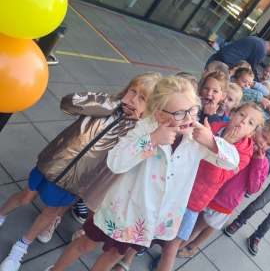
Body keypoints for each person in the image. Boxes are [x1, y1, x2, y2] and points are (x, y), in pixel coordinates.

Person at [46, 76, 240, 271]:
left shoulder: (197, 138)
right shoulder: (143, 129)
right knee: (86, 243)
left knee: (115, 254)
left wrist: (212, 142)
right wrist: (152, 140)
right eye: (180, 113)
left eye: (192, 110)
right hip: (122, 210)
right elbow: (115, 162)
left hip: (149, 220)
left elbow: (232, 162)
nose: (190, 118)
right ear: (159, 115)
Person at [0, 72, 161, 271]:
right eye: (133, 91)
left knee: (50, 212)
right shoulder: (105, 104)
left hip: (74, 181)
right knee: (25, 197)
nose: (133, 99)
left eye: (142, 98)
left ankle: (21, 246)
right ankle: (1, 215)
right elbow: (67, 103)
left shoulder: (135, 131)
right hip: (52, 163)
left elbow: (121, 160)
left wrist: (133, 125)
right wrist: (108, 104)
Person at [152, 102, 264, 271]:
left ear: (252, 133)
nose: (243, 122)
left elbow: (214, 179)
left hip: (192, 203)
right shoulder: (213, 127)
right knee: (150, 227)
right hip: (177, 188)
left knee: (170, 249)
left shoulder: (244, 154)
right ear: (232, 114)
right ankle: (129, 258)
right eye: (242, 115)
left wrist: (221, 148)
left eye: (250, 122)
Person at [176, 114, 270, 259]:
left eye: (269, 144)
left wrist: (257, 162)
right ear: (257, 130)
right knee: (191, 224)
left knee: (203, 226)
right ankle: (177, 246)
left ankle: (190, 246)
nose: (263, 144)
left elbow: (254, 188)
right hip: (210, 192)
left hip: (226, 202)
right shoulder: (241, 142)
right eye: (263, 137)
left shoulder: (264, 159)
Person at [205, 36, 270, 80]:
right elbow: (250, 69)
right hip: (222, 67)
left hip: (216, 59)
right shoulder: (261, 51)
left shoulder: (258, 41)